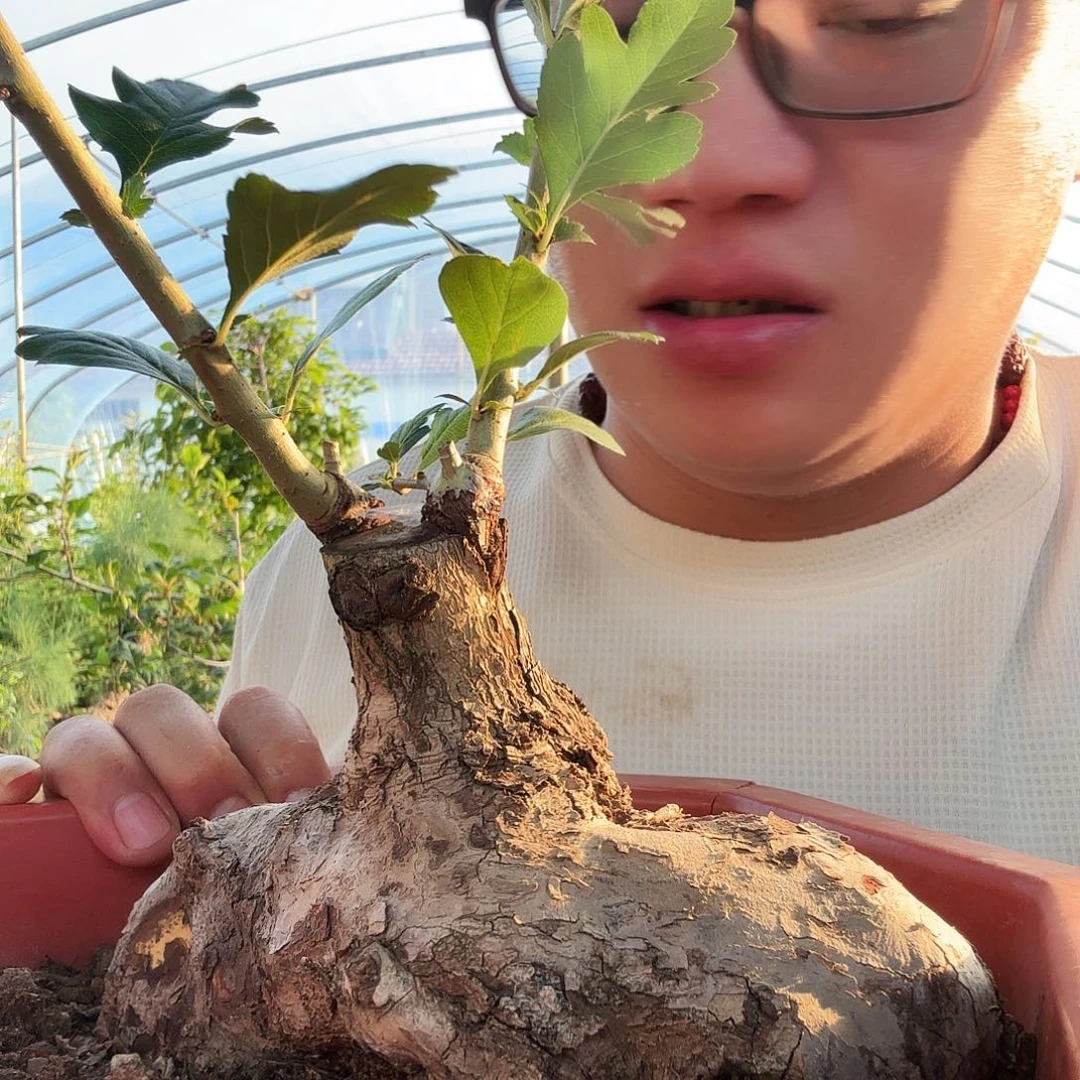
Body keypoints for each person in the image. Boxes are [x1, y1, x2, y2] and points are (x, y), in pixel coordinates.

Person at [2, 0, 1079, 866]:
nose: (700, 161)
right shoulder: (345, 554)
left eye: (886, 12)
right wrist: (142, 839)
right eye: (607, 30)